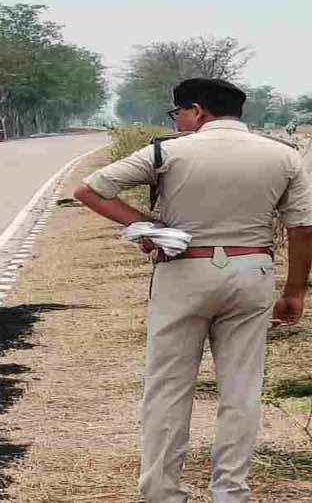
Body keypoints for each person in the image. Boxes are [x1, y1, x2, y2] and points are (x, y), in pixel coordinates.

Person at [72, 78, 312, 503]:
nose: (177, 121)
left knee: (168, 388)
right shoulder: (284, 155)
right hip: (251, 270)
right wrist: (294, 291)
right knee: (241, 389)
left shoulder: (167, 152)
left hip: (183, 270)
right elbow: (302, 228)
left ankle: (162, 492)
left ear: (197, 111)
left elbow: (88, 190)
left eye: (178, 113)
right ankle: (231, 491)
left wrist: (149, 226)